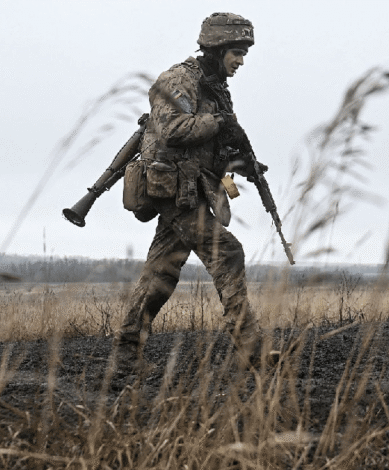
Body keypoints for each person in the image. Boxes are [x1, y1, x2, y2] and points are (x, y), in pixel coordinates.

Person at [111, 12, 275, 382]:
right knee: (227, 251)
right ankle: (250, 349)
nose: (241, 61)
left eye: (243, 53)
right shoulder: (179, 79)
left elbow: (208, 144)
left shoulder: (214, 86)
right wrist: (219, 122)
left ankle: (125, 355)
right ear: (217, 48)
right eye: (236, 52)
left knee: (161, 272)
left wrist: (244, 164)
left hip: (190, 189)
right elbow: (171, 129)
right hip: (172, 190)